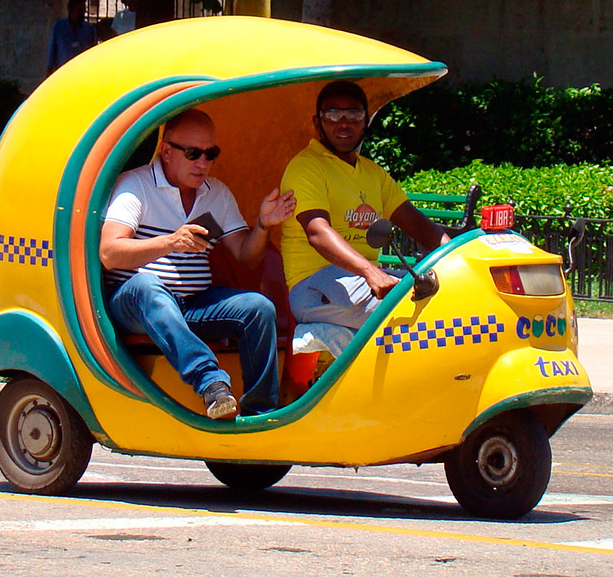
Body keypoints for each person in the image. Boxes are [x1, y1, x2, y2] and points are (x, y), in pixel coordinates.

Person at [100, 109, 297, 419]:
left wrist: (262, 224)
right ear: (166, 151)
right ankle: (211, 383)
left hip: (191, 303)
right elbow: (110, 252)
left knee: (258, 307)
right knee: (149, 286)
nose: (203, 163)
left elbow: (247, 257)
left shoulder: (215, 194)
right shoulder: (136, 185)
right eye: (193, 154)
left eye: (210, 154)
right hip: (136, 302)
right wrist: (170, 242)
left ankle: (261, 412)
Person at [280, 80, 450, 333]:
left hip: (366, 279)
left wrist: (457, 255)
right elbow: (317, 233)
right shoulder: (306, 167)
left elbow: (419, 225)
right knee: (409, 313)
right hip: (314, 286)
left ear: (366, 121)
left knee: (448, 294)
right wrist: (371, 272)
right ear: (318, 123)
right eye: (333, 114)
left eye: (354, 114)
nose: (344, 122)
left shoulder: (373, 173)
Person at [47, 0, 98, 76]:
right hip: (62, 74)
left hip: (82, 74)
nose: (82, 14)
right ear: (71, 10)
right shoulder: (59, 27)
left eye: (84, 11)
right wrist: (49, 72)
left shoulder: (89, 29)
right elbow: (52, 51)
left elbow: (93, 53)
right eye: (80, 11)